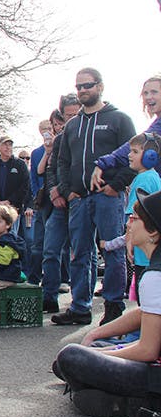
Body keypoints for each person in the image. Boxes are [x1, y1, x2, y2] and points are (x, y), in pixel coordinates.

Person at [54, 188, 161, 417]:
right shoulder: (155, 269)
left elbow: (148, 350)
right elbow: (145, 312)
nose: (129, 222)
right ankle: (107, 393)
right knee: (77, 356)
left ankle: (137, 402)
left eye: (135, 218)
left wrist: (102, 355)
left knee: (70, 357)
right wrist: (97, 335)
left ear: (153, 232)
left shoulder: (155, 276)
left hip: (155, 372)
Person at [53, 68, 136, 326]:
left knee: (113, 252)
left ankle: (113, 307)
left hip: (107, 198)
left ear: (100, 86)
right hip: (79, 200)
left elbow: (134, 157)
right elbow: (62, 161)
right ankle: (79, 307)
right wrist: (68, 192)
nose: (82, 90)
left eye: (87, 85)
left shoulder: (119, 119)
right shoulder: (72, 125)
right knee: (79, 254)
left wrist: (115, 186)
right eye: (78, 87)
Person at [101, 133, 161, 301]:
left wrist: (129, 242)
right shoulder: (154, 176)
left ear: (151, 156)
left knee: (146, 299)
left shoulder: (142, 180)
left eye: (134, 151)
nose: (129, 155)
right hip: (152, 251)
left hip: (144, 253)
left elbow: (135, 217)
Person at [40, 97, 80, 313]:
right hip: (59, 205)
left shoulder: (86, 135)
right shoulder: (60, 139)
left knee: (82, 254)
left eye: (76, 115)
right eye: (68, 115)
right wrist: (55, 191)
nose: (71, 119)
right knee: (50, 250)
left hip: (80, 201)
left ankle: (81, 302)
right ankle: (49, 297)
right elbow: (51, 169)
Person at [0, 134, 30, 233]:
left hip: (13, 209)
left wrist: (10, 201)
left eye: (10, 145)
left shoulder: (20, 164)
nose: (8, 147)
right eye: (5, 144)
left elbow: (25, 186)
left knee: (11, 237)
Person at [26, 121, 53, 285]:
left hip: (57, 199)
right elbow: (34, 177)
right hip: (41, 201)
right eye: (44, 130)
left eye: (49, 129)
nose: (47, 132)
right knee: (37, 244)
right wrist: (37, 196)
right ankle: (34, 278)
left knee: (57, 245)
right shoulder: (36, 153)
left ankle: (61, 278)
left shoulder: (61, 147)